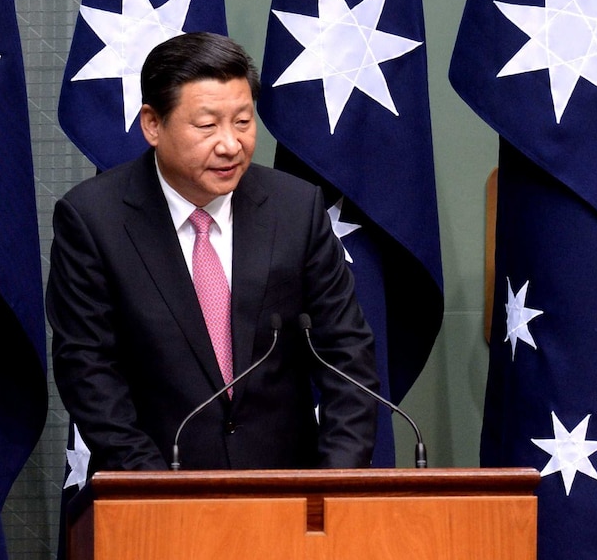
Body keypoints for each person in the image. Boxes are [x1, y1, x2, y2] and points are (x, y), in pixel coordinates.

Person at [47, 32, 378, 473]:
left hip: (285, 491)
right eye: (207, 125)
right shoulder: (93, 219)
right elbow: (88, 371)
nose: (230, 144)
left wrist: (333, 485)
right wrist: (157, 491)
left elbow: (346, 355)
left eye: (242, 122)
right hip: (156, 492)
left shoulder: (296, 208)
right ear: (152, 124)